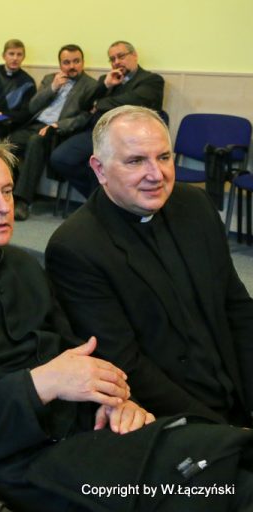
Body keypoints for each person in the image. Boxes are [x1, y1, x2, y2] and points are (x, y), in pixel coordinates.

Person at [0, 137, 253, 512]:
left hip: (87, 432)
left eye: (8, 191)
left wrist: (115, 401)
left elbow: (75, 354)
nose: (3, 207)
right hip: (22, 461)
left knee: (228, 459)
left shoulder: (24, 265)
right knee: (218, 492)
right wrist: (40, 385)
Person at [46, 105, 253, 427]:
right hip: (174, 417)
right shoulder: (76, 247)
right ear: (100, 169)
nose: (156, 175)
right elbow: (125, 364)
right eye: (135, 161)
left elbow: (237, 307)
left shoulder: (196, 205)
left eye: (164, 157)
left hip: (235, 389)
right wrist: (222, 432)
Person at [49, 41, 164, 197]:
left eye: (121, 56)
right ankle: (99, 196)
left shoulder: (151, 80)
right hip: (97, 133)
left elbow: (129, 102)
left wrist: (98, 104)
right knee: (60, 158)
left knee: (107, 166)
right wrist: (105, 85)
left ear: (134, 55)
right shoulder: (107, 79)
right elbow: (83, 104)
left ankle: (103, 198)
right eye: (112, 59)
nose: (117, 62)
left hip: (128, 139)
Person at [8, 44, 98, 220]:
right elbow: (33, 106)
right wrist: (53, 88)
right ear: (60, 64)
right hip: (36, 125)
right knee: (8, 142)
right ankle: (7, 192)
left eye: (76, 61)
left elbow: (84, 117)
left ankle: (23, 201)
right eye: (67, 62)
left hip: (58, 131)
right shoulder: (50, 79)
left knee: (36, 141)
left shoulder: (91, 85)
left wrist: (58, 125)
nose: (72, 66)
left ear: (82, 62)